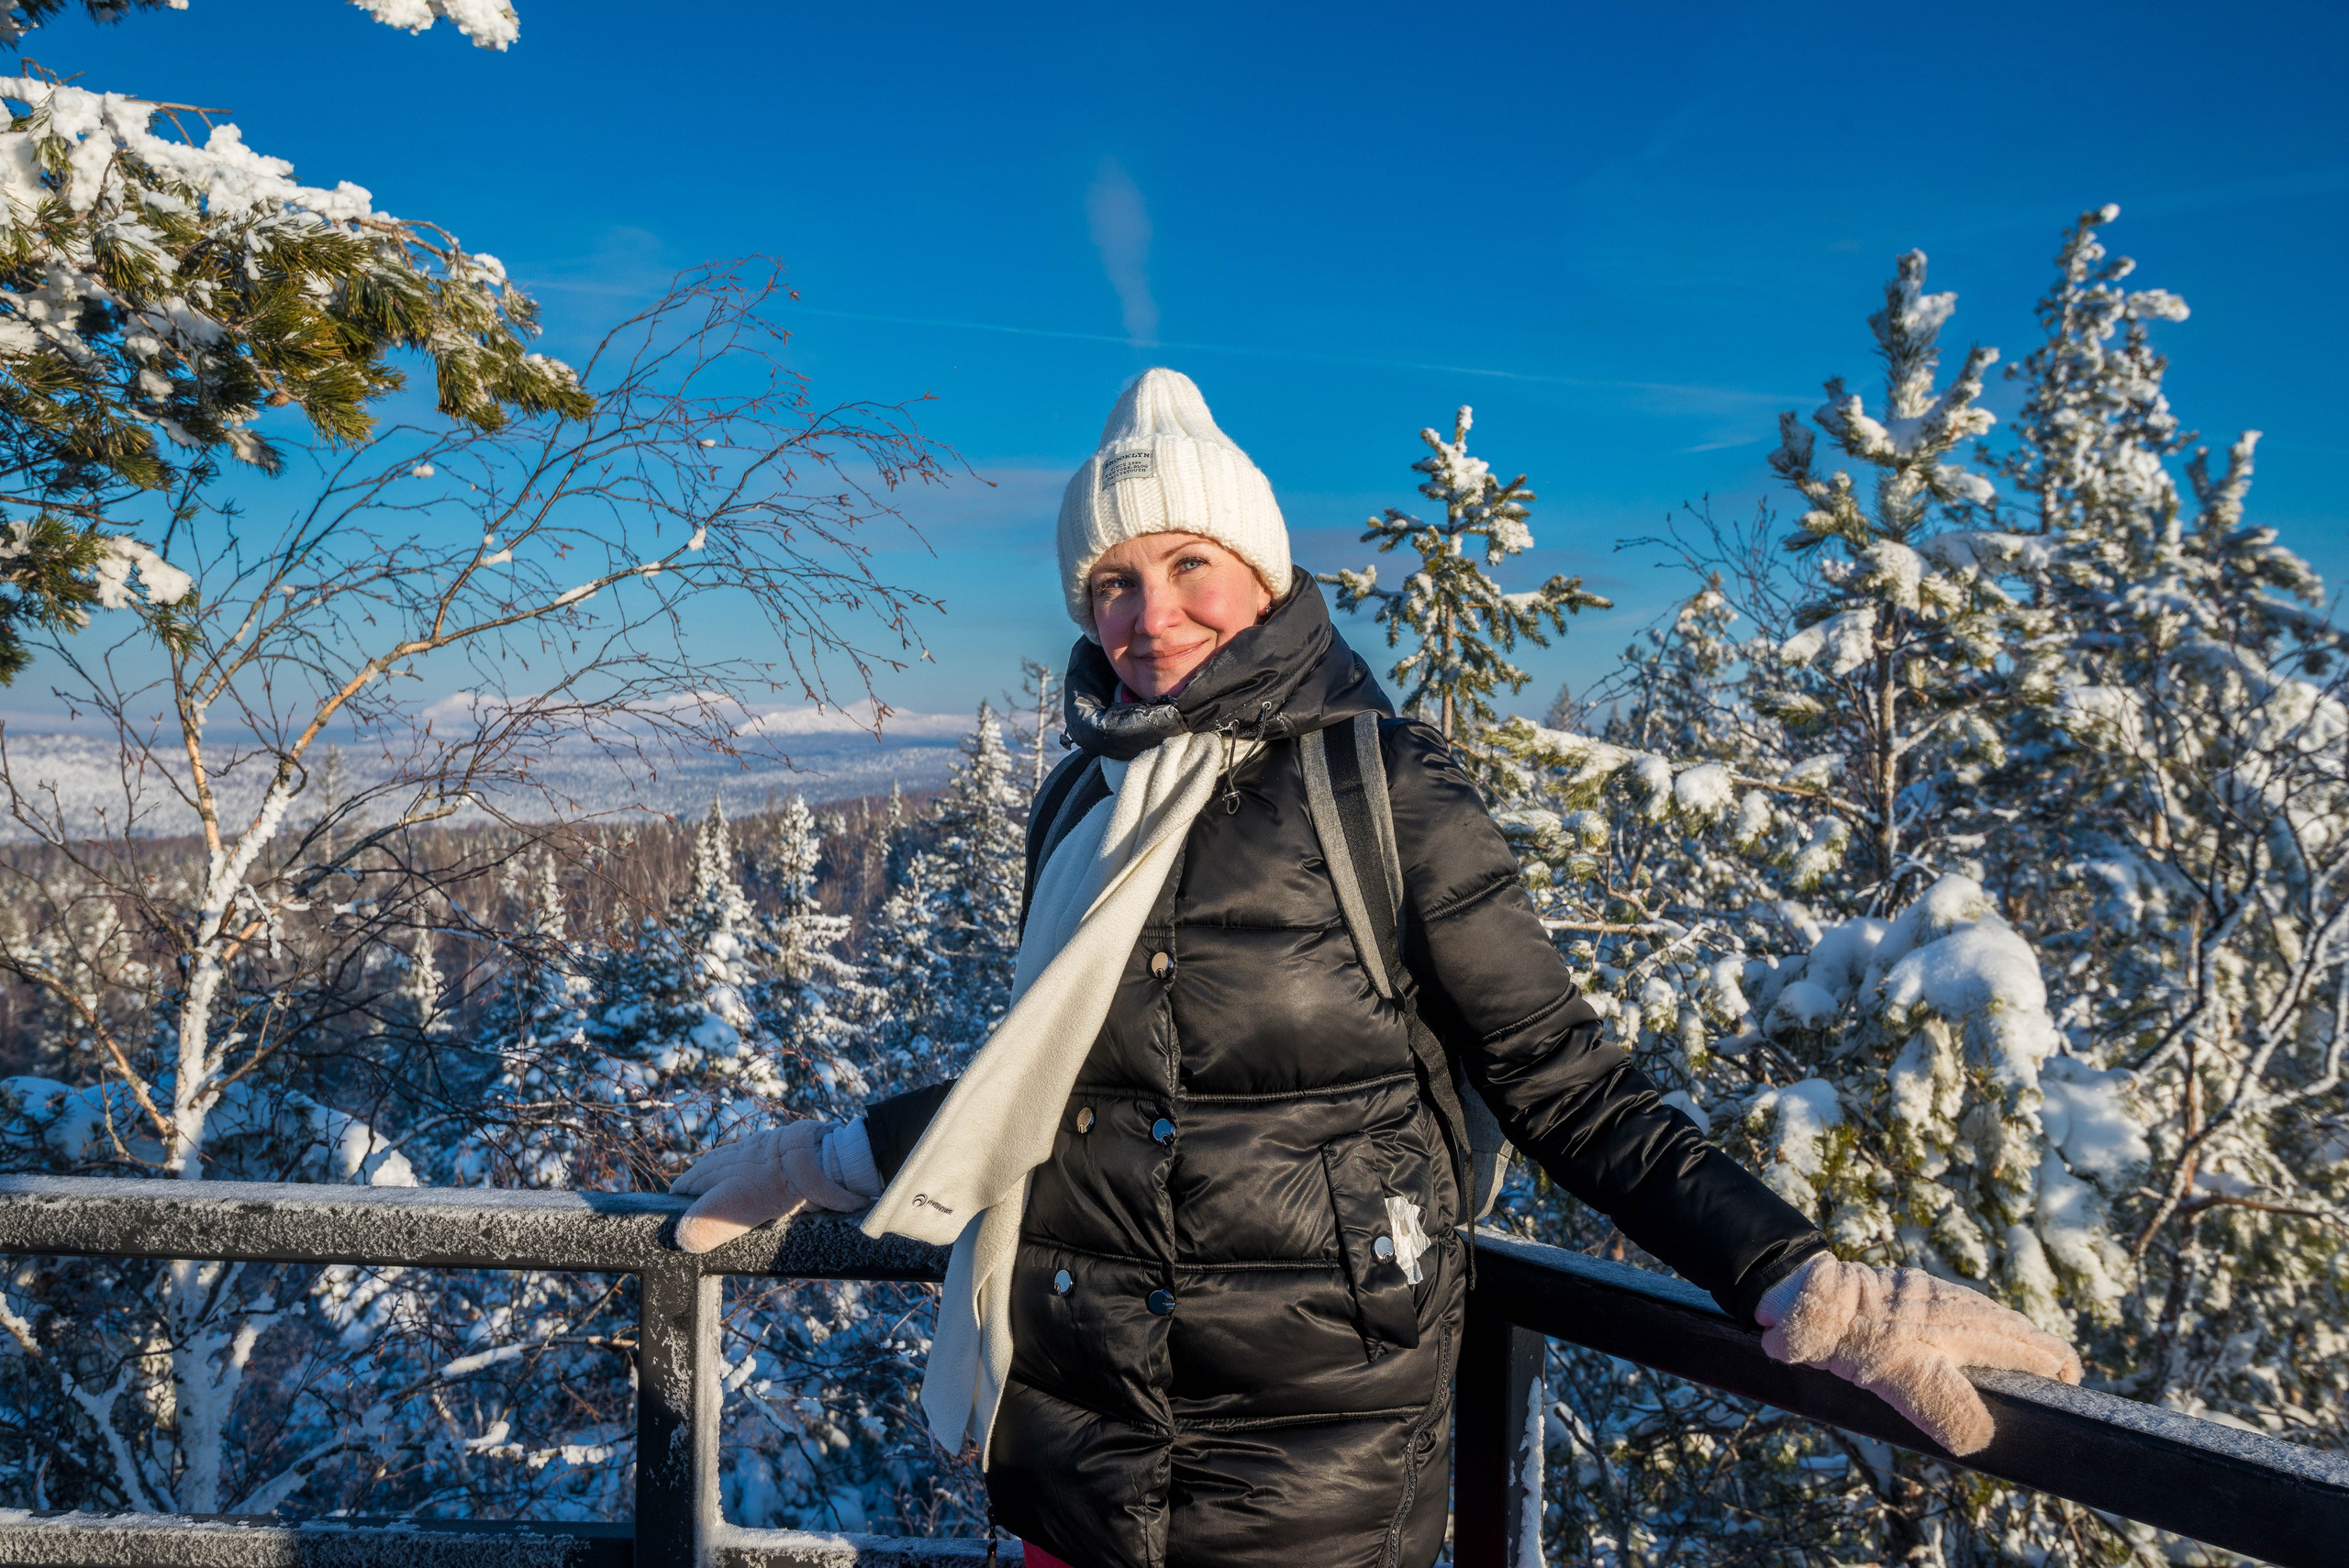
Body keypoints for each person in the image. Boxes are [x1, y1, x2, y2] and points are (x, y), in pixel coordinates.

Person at [671, 369, 2081, 1568]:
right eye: (1110, 581)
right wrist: (808, 1158)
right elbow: (1036, 1099)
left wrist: (1802, 1281)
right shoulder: (1083, 805)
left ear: (1263, 570)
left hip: (1313, 1486)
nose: (1145, 614)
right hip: (1075, 1469)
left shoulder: (1377, 783)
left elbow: (1565, 1081)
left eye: (1185, 566)